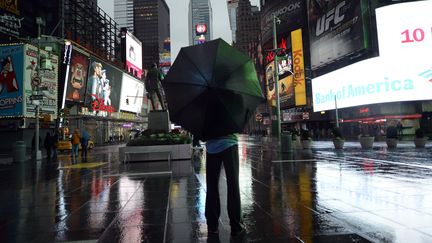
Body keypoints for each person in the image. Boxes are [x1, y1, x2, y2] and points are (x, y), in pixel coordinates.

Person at [204, 134, 245, 238]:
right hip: (229, 143)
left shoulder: (206, 116)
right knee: (233, 185)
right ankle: (236, 226)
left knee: (212, 186)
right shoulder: (229, 117)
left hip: (212, 147)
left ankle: (212, 226)